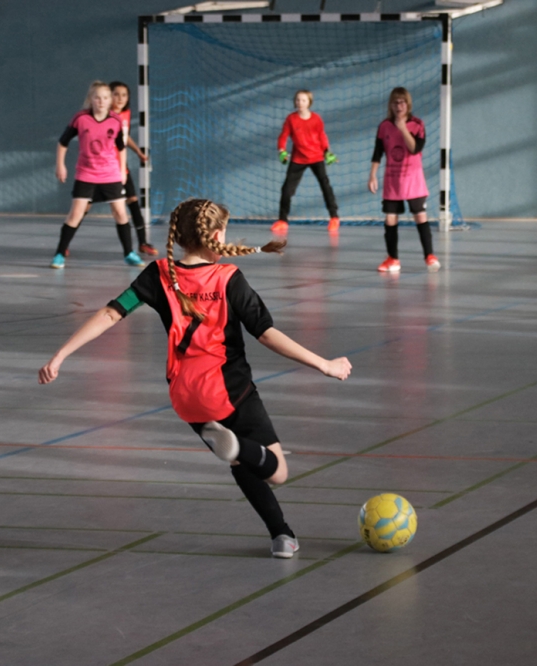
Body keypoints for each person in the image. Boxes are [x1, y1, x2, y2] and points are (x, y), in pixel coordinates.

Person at [39, 198, 352, 558]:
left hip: (185, 396)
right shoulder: (227, 278)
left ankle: (282, 535)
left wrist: (61, 354)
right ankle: (244, 459)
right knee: (276, 471)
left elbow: (111, 313)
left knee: (240, 461)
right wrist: (324, 364)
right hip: (229, 389)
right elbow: (266, 334)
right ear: (216, 236)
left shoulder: (158, 274)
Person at [52, 81, 143, 269]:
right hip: (86, 173)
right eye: (97, 98)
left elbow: (121, 147)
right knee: (75, 214)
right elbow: (63, 143)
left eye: (105, 98)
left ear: (110, 101)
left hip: (110, 174)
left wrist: (121, 171)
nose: (101, 101)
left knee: (120, 213)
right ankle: (59, 253)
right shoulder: (81, 118)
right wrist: (60, 165)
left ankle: (129, 253)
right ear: (91, 99)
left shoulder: (115, 120)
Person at [368, 87, 441, 273]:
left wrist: (402, 128)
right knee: (390, 218)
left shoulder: (417, 125)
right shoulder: (384, 126)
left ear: (408, 105)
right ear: (390, 105)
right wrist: (372, 175)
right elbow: (377, 153)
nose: (399, 106)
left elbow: (415, 149)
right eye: (395, 102)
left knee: (420, 216)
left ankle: (429, 256)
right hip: (392, 180)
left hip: (413, 180)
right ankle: (393, 259)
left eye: (402, 102)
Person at [274, 90, 340, 235]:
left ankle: (334, 217)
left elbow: (322, 136)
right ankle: (282, 220)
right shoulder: (291, 119)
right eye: (298, 100)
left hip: (316, 157)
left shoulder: (316, 119)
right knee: (286, 189)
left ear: (309, 102)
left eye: (303, 100)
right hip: (298, 158)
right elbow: (283, 136)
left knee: (325, 186)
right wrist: (282, 151)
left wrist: (327, 151)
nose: (300, 103)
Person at [110, 81, 158, 257]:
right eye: (116, 94)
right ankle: (63, 246)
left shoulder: (126, 114)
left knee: (133, 202)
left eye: (124, 95)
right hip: (103, 168)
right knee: (82, 207)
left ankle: (143, 242)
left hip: (121, 167)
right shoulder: (104, 116)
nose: (120, 98)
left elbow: (124, 137)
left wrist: (138, 151)